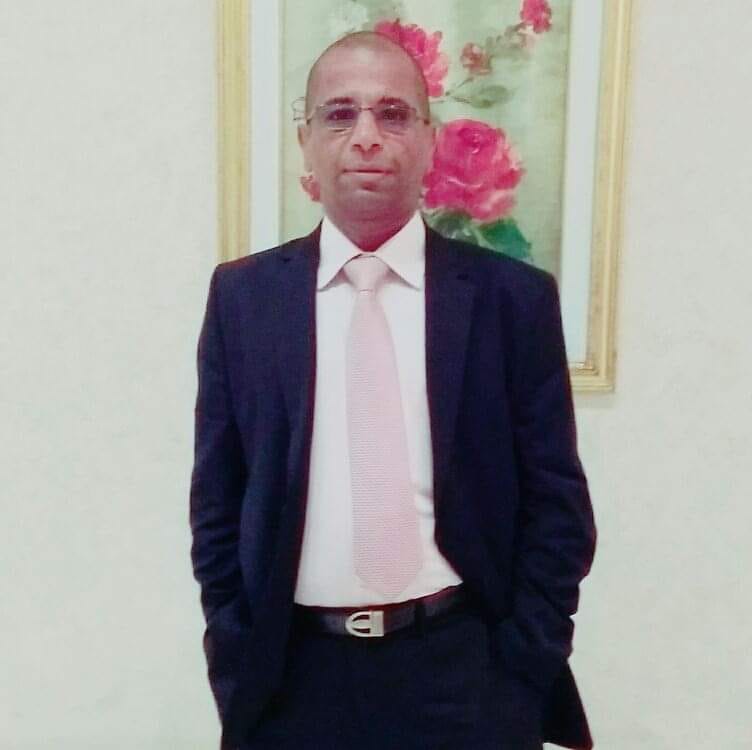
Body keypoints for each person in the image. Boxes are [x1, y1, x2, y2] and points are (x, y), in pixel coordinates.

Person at [190, 30, 596, 750]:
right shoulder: (244, 299)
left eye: (394, 113)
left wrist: (521, 671)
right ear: (305, 141)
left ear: (430, 140)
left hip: (464, 677)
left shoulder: (511, 300)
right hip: (294, 684)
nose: (367, 136)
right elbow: (217, 502)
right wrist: (235, 651)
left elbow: (557, 506)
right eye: (340, 114)